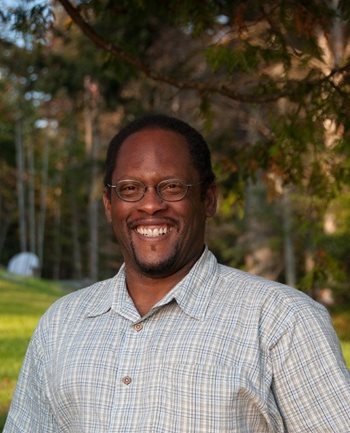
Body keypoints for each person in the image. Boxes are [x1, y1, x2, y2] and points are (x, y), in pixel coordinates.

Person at [4, 114, 350, 433]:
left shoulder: (282, 321)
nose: (151, 204)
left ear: (209, 198)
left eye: (172, 187)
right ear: (109, 205)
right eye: (130, 188)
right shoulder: (61, 324)